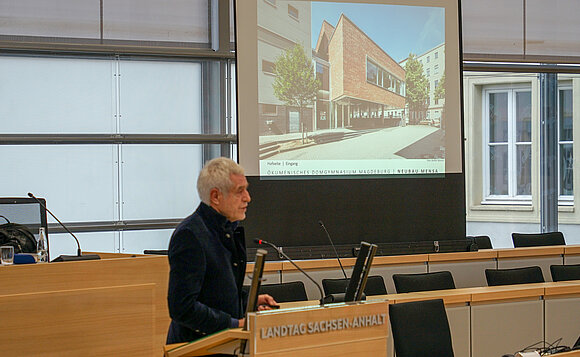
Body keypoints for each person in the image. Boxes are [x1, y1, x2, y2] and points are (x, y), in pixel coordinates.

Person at [166, 157, 277, 345]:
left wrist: (250, 301)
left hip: (223, 345)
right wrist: (234, 324)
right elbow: (182, 308)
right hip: (195, 347)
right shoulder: (190, 235)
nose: (248, 198)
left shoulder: (228, 229)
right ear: (215, 196)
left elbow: (217, 293)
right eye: (239, 191)